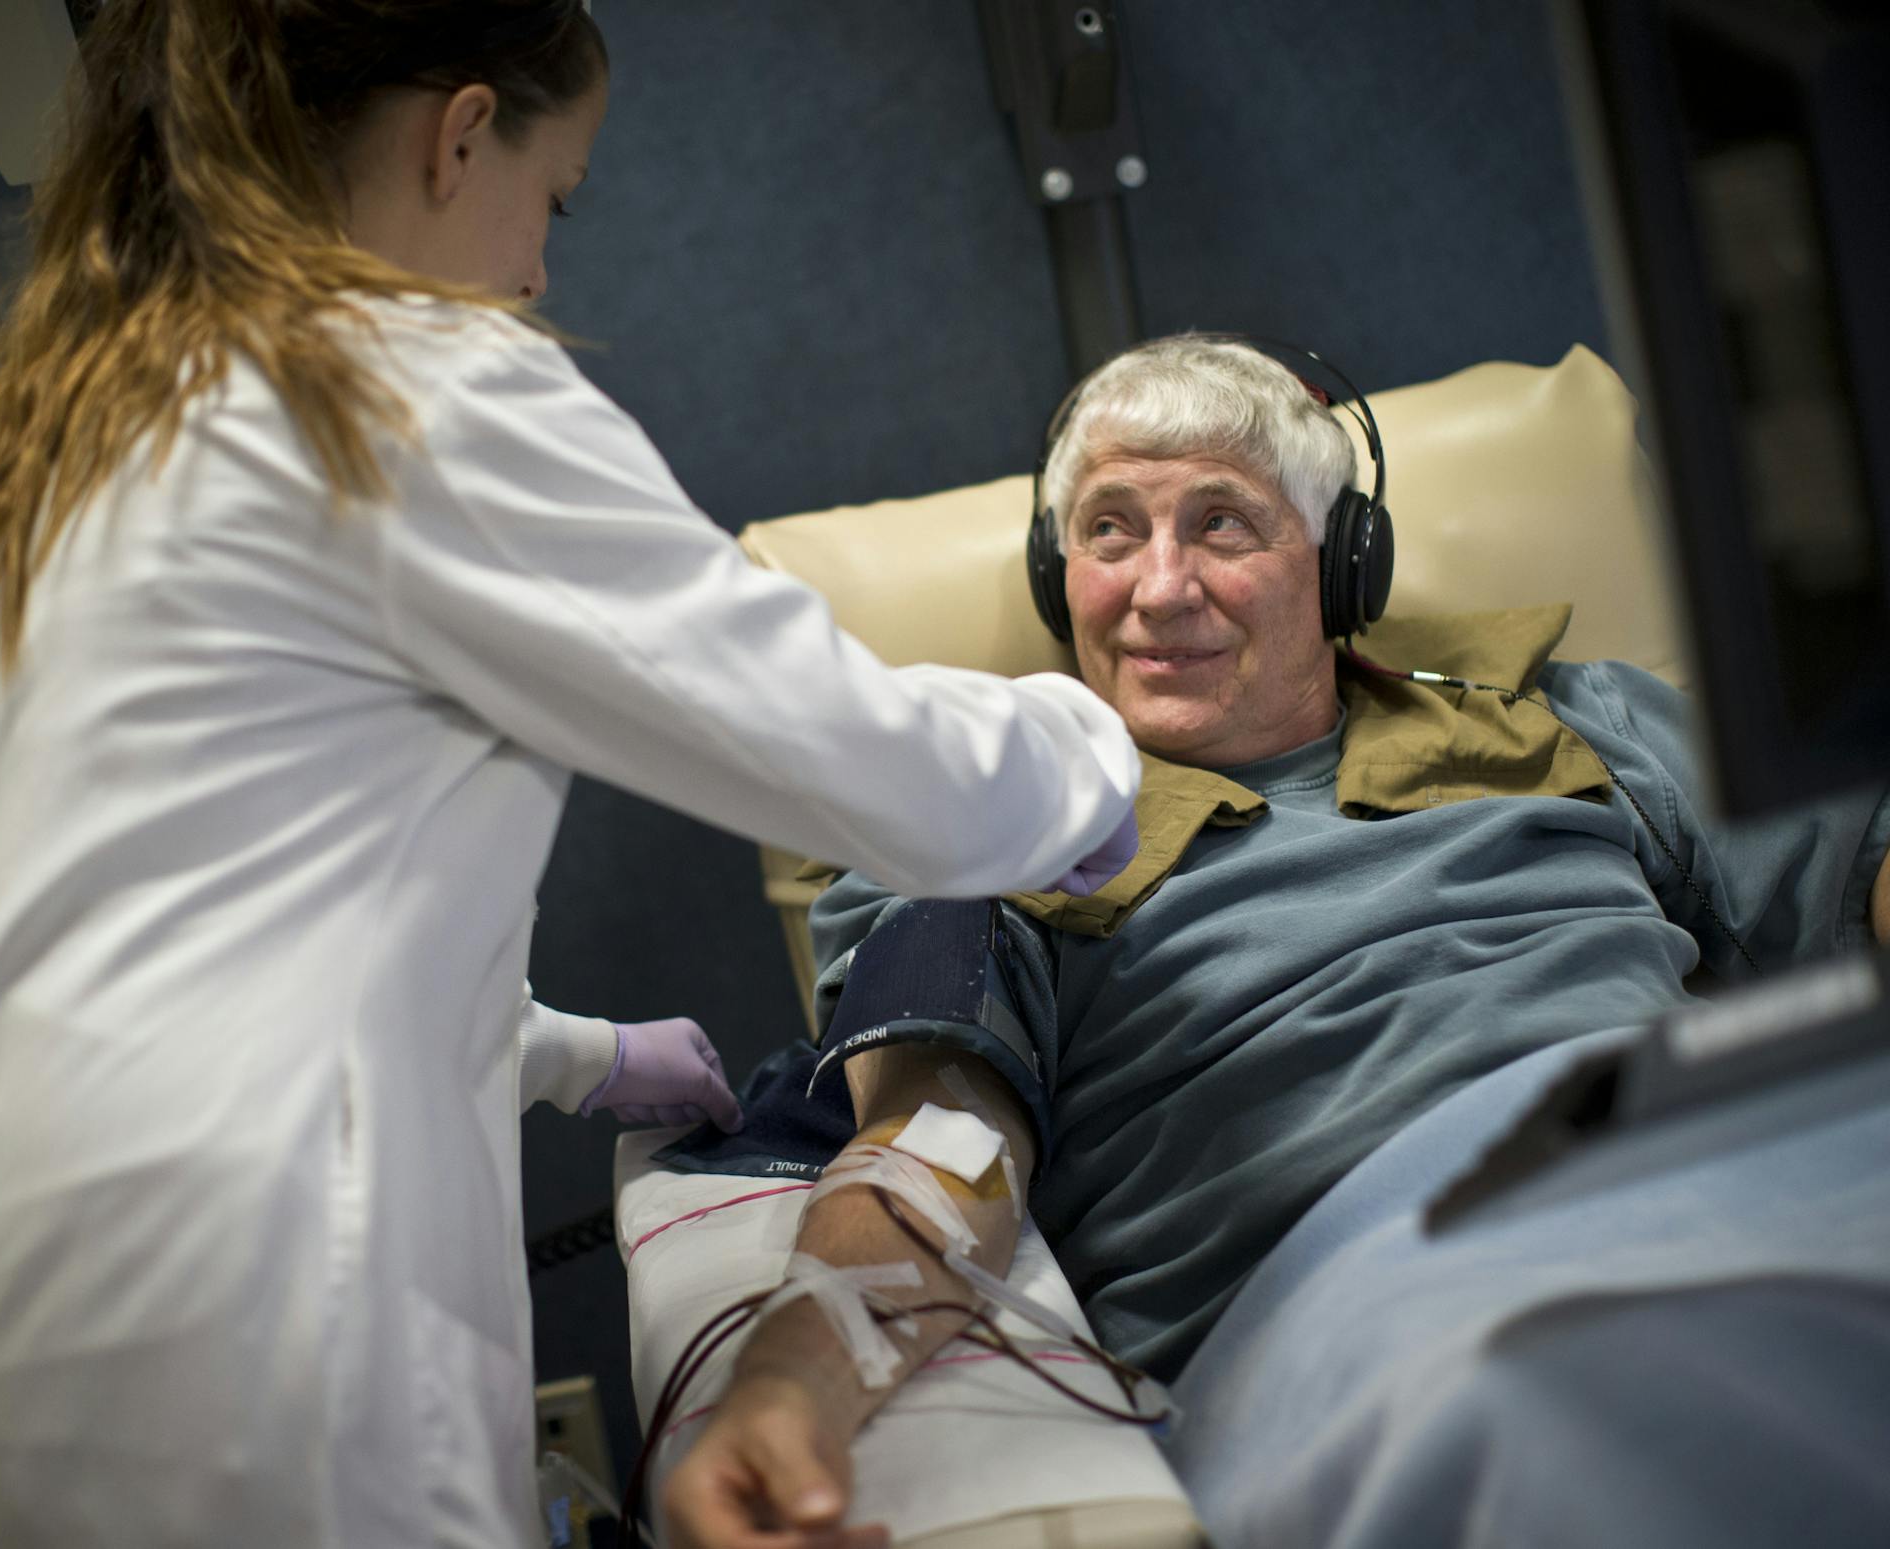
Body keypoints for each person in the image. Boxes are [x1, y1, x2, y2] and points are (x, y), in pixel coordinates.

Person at [0, 3, 1145, 1544]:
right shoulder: (399, 391)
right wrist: (1092, 752)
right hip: (234, 1423)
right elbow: (879, 767)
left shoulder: (43, 433)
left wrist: (563, 1053)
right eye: (557, 194)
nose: (534, 273)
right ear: (460, 135)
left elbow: (116, 938)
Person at [662, 335, 1890, 1549]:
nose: (1158, 587)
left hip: (1725, 1166)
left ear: (1342, 564)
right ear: (1057, 576)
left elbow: (1859, 867)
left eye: (1223, 526)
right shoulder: (981, 833)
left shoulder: (1562, 716)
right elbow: (931, 1146)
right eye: (1109, 531)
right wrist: (788, 1387)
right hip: (1396, 1298)